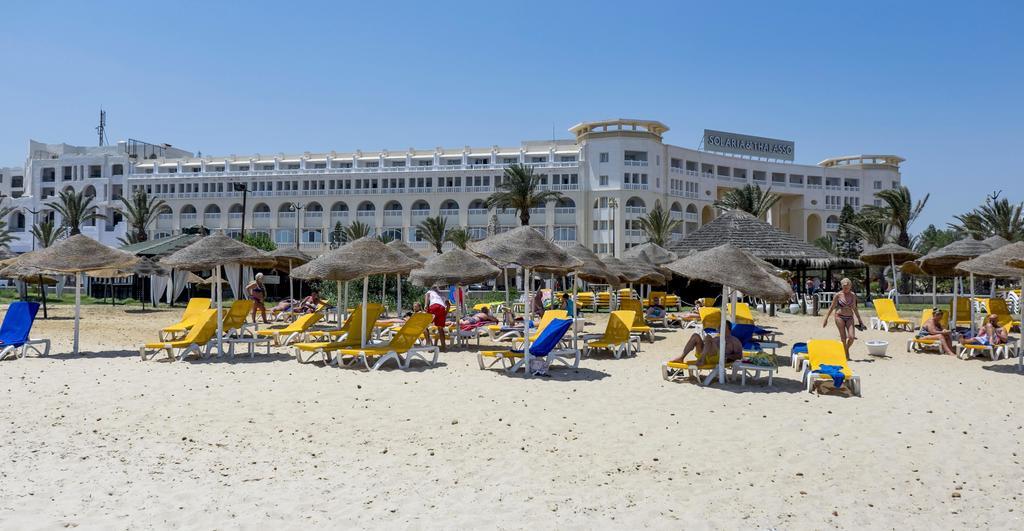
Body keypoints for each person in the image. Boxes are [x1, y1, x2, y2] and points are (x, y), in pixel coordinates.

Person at [822, 277, 864, 359]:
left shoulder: (853, 295)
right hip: (839, 317)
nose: (845, 288)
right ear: (841, 286)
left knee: (851, 337)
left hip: (850, 317)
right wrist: (825, 319)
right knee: (843, 338)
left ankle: (845, 349)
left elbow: (855, 308)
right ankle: (846, 353)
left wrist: (860, 320)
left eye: (847, 287)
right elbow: (831, 307)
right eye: (844, 286)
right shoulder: (838, 295)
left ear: (850, 286)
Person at [669, 322, 743, 365]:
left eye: (722, 326)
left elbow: (739, 356)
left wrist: (726, 356)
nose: (720, 328)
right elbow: (707, 344)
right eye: (719, 326)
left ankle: (702, 358)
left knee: (708, 337)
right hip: (705, 354)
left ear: (729, 328)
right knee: (695, 336)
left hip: (717, 358)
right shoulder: (717, 337)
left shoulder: (734, 340)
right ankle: (681, 357)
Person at [424, 285, 448, 351]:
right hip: (442, 308)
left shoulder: (430, 292)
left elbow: (427, 297)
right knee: (440, 328)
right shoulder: (441, 294)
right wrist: (445, 313)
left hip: (434, 306)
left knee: (424, 326)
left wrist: (426, 305)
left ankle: (429, 345)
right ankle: (443, 347)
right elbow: (448, 305)